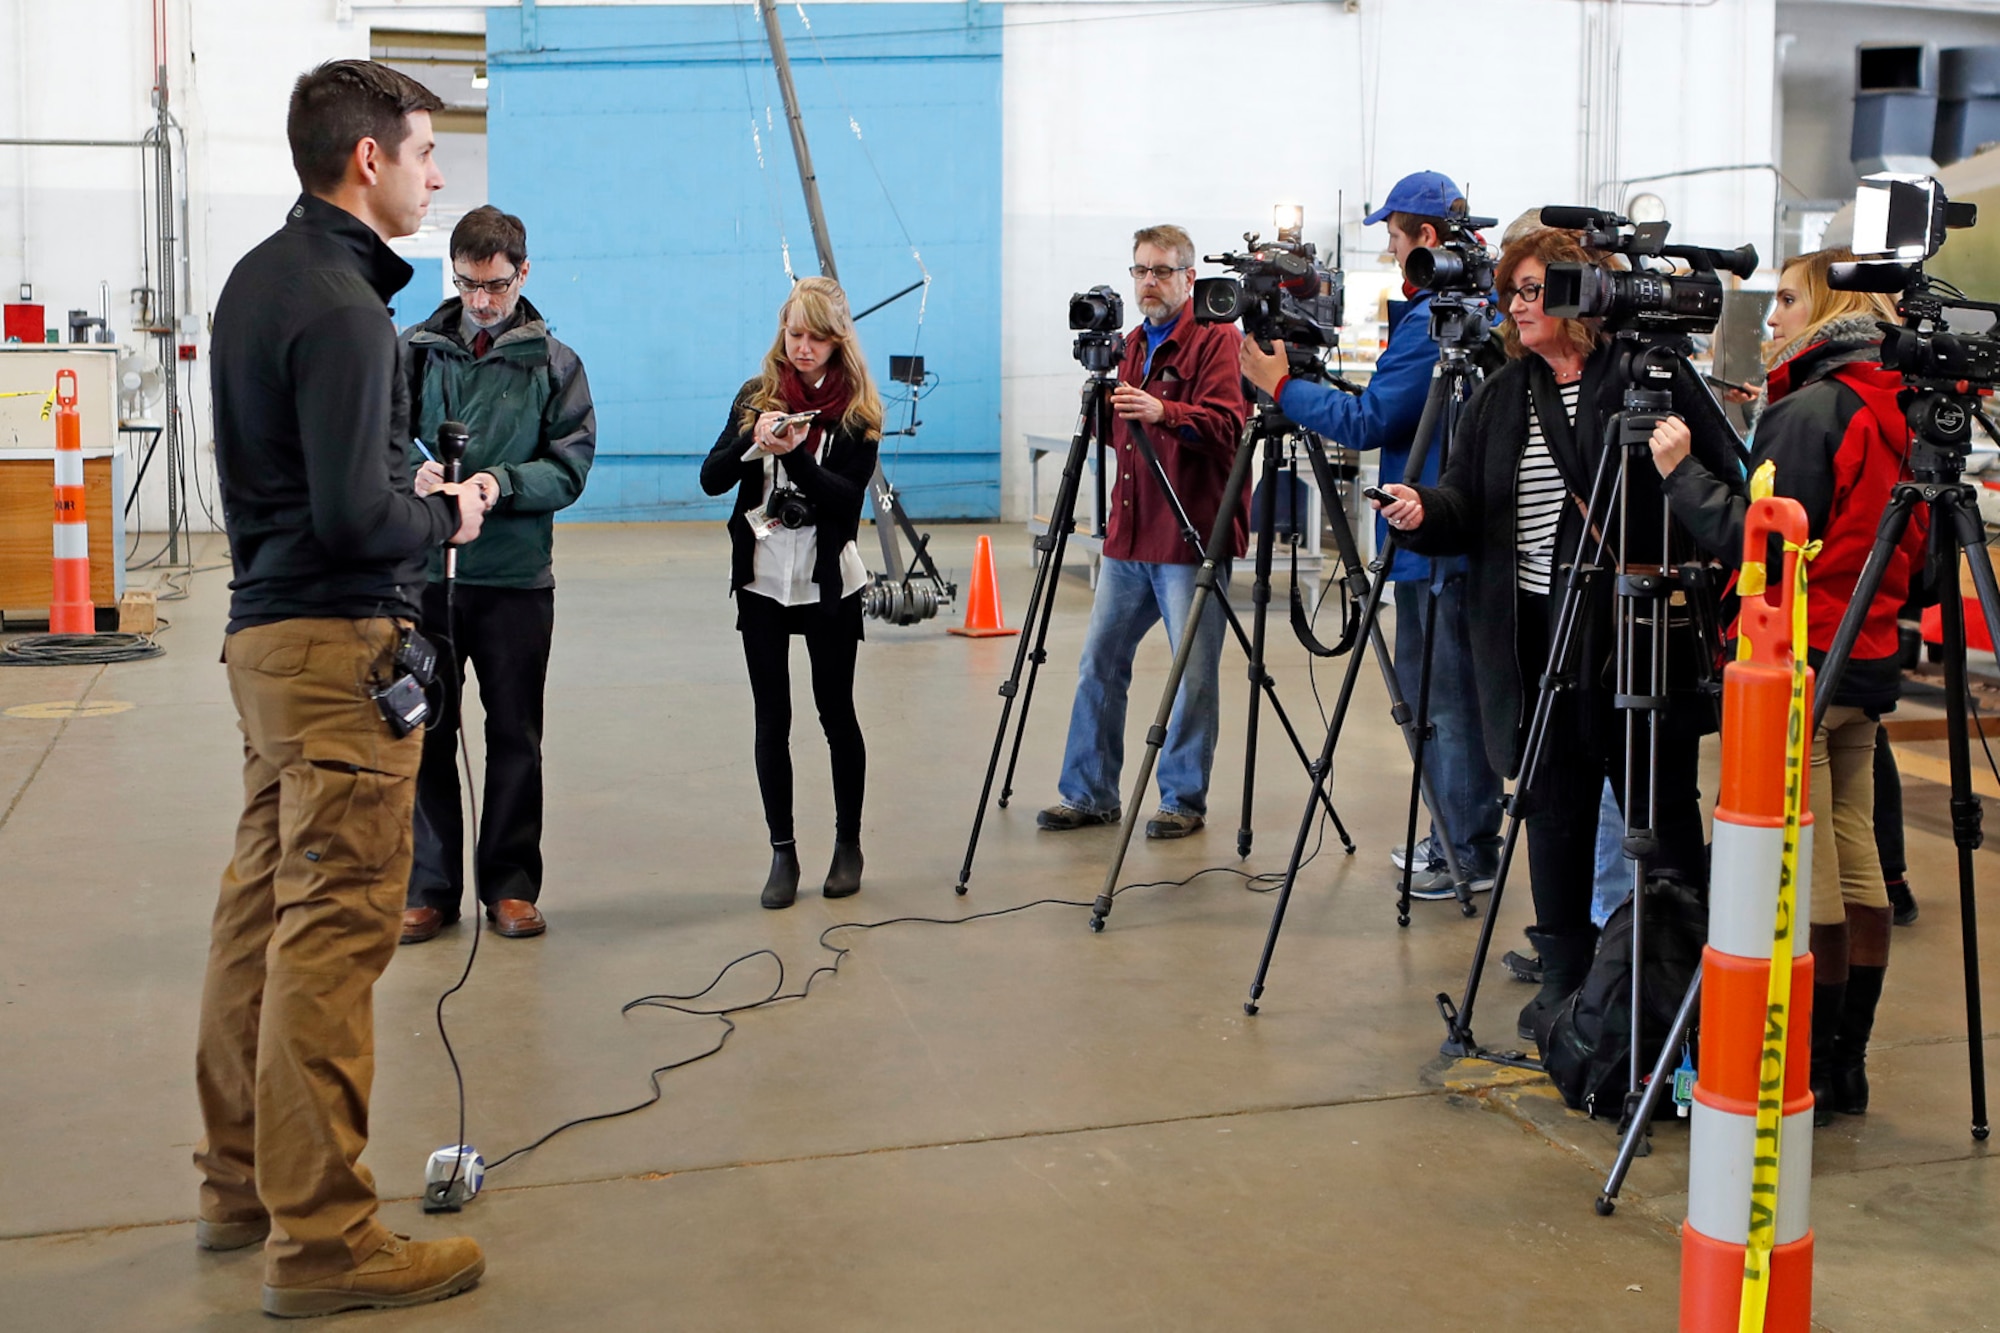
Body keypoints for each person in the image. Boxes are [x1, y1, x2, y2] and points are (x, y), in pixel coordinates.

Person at [194, 59, 490, 1317]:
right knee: (333, 932)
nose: (437, 175)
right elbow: (350, 511)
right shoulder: (346, 305)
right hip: (335, 654)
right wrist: (447, 513)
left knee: (263, 914)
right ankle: (324, 1244)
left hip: (266, 644)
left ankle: (240, 1182)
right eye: (426, 151)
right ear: (366, 159)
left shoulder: (263, 279)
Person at [1374, 226, 1742, 1043]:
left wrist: (1676, 477)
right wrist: (1421, 512)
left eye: (1534, 289)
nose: (1516, 303)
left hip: (1634, 633)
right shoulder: (1505, 392)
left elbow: (1729, 482)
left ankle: (1682, 977)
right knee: (1553, 809)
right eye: (1513, 289)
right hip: (1534, 633)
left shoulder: (1652, 376)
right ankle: (1568, 990)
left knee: (1660, 809)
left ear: (1582, 293)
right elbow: (1466, 502)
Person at [1647, 246, 1919, 1123]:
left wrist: (1681, 472)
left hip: (1803, 655)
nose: (1770, 319)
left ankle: (1807, 1055)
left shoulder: (1810, 411)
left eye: (1788, 302)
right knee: (1854, 843)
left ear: (1829, 308)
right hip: (1867, 651)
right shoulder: (1891, 400)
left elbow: (1763, 542)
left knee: (1811, 865)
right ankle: (1849, 1062)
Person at [1239, 170, 1502, 896]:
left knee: (1440, 705)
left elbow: (1369, 424)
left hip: (1431, 543)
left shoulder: (1431, 320)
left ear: (1424, 235)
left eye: (1393, 235)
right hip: (1452, 533)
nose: (1389, 250)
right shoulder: (1471, 308)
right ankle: (1460, 831)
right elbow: (1394, 406)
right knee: (1447, 703)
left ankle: (1466, 848)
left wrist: (1283, 387)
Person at [399, 205, 597, 946]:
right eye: (470, 283)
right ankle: (429, 886)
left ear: (524, 272)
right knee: (425, 733)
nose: (483, 300)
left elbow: (570, 465)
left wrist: (497, 485)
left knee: (515, 733)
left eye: (497, 284)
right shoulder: (414, 352)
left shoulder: (555, 365)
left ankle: (510, 886)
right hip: (426, 576)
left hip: (514, 579)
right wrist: (407, 473)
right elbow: (377, 437)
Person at [1037, 224, 1249, 840]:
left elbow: (1231, 428)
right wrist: (1102, 409)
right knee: (1098, 663)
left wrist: (1166, 411)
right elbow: (1122, 437)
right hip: (1129, 537)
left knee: (1192, 672)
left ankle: (1183, 798)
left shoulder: (1218, 342)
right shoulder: (1128, 344)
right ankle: (1090, 793)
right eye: (1140, 271)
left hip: (1189, 538)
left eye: (1161, 271)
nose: (1148, 282)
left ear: (1189, 277)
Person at [700, 276, 882, 909]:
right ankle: (783, 852)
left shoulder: (860, 410)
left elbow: (845, 499)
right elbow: (710, 479)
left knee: (837, 714)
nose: (801, 348)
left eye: (815, 338)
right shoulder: (758, 396)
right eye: (793, 334)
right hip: (762, 582)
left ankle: (848, 844)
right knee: (770, 718)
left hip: (831, 583)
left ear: (838, 343)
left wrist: (799, 457)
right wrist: (755, 441)